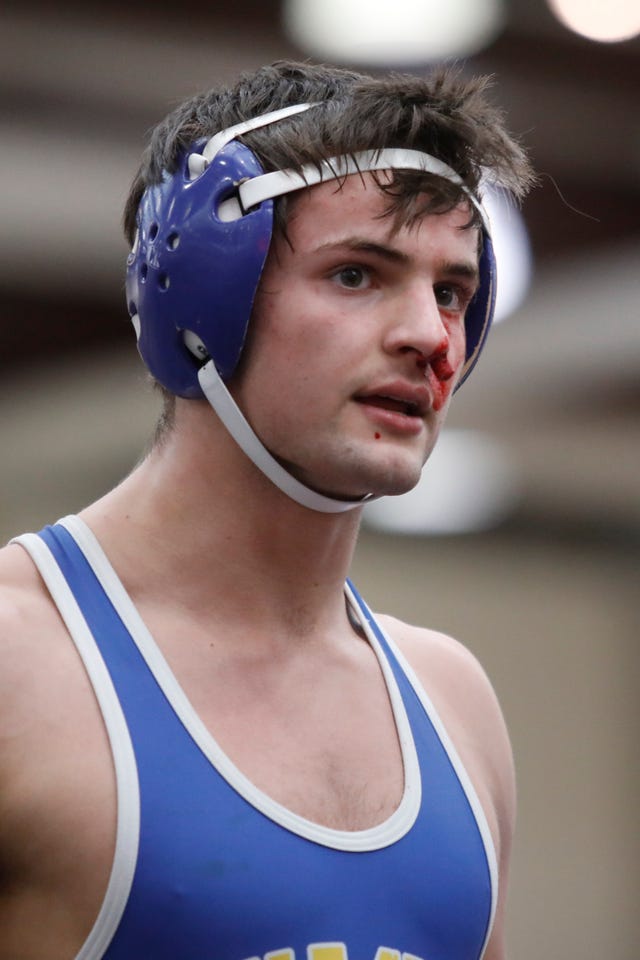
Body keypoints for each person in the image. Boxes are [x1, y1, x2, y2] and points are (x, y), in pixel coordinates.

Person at [0, 60, 534, 960]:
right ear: (199, 295)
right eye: (359, 274)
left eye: (451, 292)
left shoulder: (453, 703)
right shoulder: (17, 659)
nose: (430, 336)